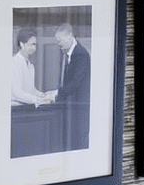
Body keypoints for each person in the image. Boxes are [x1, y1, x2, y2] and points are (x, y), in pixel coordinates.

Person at [53, 22, 90, 150]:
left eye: (60, 41)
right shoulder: (68, 53)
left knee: (77, 142)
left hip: (79, 108)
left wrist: (57, 93)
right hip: (71, 107)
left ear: (69, 36)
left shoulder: (81, 54)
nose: (58, 44)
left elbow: (76, 83)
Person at [11, 29, 52, 107]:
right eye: (31, 44)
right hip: (16, 108)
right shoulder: (14, 63)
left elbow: (31, 90)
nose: (34, 47)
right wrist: (38, 99)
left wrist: (43, 96)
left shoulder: (30, 65)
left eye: (35, 44)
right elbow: (17, 93)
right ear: (22, 44)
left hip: (27, 106)